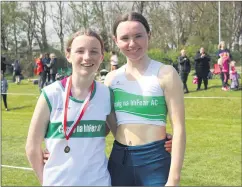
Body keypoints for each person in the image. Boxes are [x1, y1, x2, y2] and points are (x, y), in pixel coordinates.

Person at [104, 12, 185, 186]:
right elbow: (103, 125)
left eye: (138, 36)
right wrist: (60, 145)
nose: (132, 43)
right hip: (119, 160)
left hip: (155, 161)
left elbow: (179, 128)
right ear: (116, 40)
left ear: (149, 35)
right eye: (125, 38)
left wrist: (174, 179)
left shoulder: (166, 73)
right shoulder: (111, 79)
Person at [25, 29, 115, 186]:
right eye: (80, 51)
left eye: (94, 51)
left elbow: (122, 133)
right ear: (68, 55)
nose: (87, 57)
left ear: (101, 57)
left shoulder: (106, 94)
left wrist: (159, 138)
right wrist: (45, 181)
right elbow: (32, 147)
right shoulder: (51, 94)